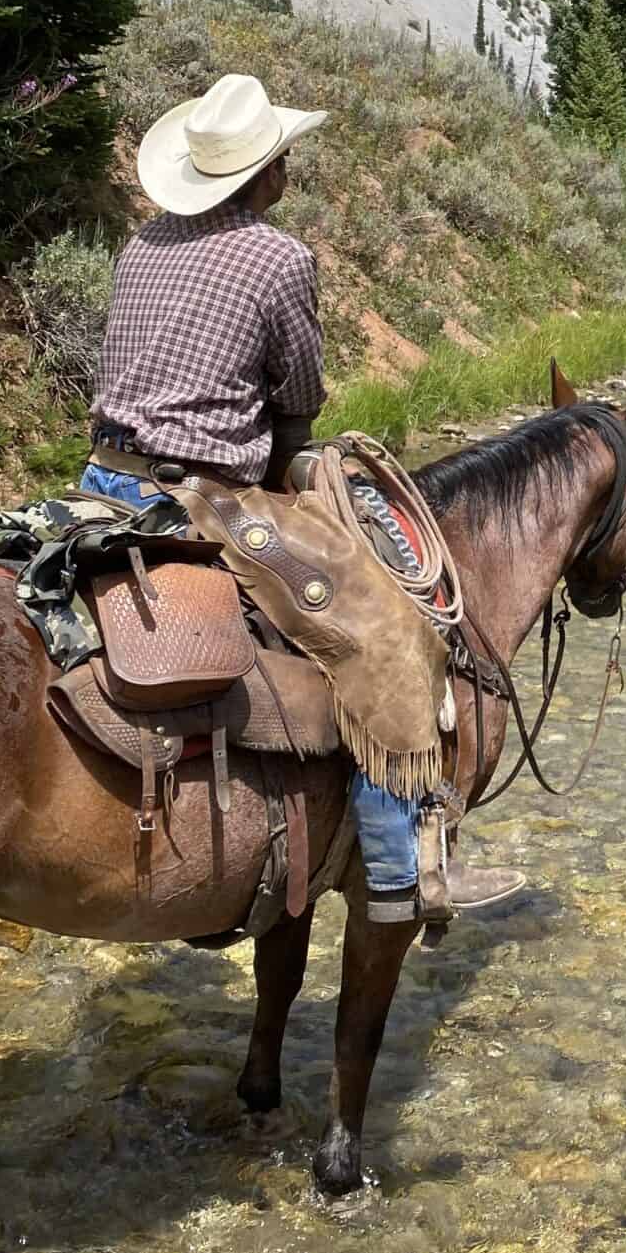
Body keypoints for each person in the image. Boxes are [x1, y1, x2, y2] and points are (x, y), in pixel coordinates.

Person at [82, 71, 523, 920]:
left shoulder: (144, 243)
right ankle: (401, 871)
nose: (290, 165)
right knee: (389, 634)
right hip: (200, 498)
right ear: (264, 173)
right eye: (283, 155)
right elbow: (295, 401)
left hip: (104, 477)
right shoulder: (280, 258)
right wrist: (301, 465)